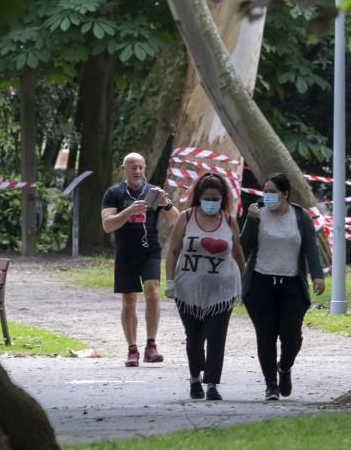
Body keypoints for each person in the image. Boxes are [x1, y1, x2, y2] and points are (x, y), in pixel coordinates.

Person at [241, 173, 325, 401]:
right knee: (265, 337)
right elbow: (243, 245)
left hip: (291, 286)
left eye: (272, 192)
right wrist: (251, 220)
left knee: (292, 338)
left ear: (285, 194)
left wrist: (317, 275)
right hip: (261, 285)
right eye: (264, 191)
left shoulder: (300, 216)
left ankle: (284, 368)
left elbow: (310, 247)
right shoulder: (258, 213)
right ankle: (271, 385)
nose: (267, 196)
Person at [164, 173, 245, 401]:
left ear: (223, 198)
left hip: (222, 292)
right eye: (207, 197)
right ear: (198, 197)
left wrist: (245, 282)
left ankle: (212, 384)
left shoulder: (229, 221)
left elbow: (237, 253)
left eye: (215, 198)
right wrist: (170, 281)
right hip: (188, 291)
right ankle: (194, 379)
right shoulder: (186, 218)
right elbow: (173, 251)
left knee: (217, 337)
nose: (211, 202)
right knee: (194, 338)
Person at [101, 152, 179, 366]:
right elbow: (107, 225)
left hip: (150, 251)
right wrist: (129, 211)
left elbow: (177, 222)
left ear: (145, 168)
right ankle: (132, 349)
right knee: (129, 301)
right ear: (123, 169)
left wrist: (167, 203)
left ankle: (151, 345)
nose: (137, 171)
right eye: (133, 167)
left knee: (152, 291)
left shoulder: (153, 193)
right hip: (125, 253)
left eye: (141, 167)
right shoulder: (113, 193)